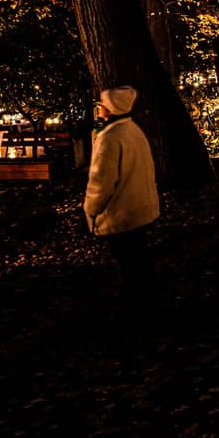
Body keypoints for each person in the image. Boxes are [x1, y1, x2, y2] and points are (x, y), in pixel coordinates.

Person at [84, 86, 161, 307]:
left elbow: (101, 182)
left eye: (101, 105)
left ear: (109, 109)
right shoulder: (133, 130)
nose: (99, 109)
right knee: (139, 259)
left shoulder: (110, 138)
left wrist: (91, 209)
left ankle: (138, 305)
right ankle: (148, 299)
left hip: (120, 212)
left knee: (128, 263)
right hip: (139, 208)